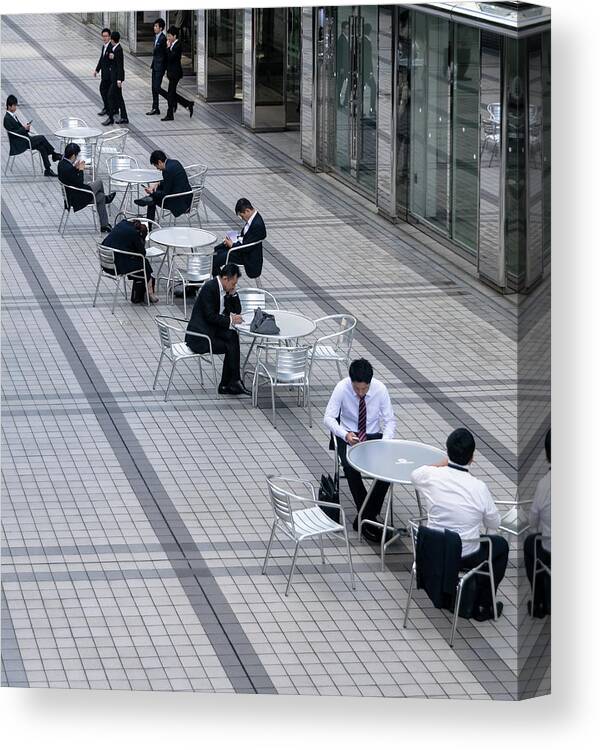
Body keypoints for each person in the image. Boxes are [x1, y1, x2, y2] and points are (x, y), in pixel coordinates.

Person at [410, 428, 509, 622]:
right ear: (472, 457)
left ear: (447, 452)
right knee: (500, 546)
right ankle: (483, 604)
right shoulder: (479, 488)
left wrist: (442, 464)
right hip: (464, 555)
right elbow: (494, 523)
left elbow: (415, 475)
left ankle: (457, 592)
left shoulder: (431, 476)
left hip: (432, 551)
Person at [324, 359, 396, 543]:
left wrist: (385, 443)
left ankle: (364, 518)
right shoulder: (342, 387)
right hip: (348, 434)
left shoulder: (380, 389)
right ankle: (370, 519)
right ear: (351, 382)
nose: (360, 393)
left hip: (372, 435)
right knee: (350, 467)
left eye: (364, 389)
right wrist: (344, 433)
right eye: (357, 389)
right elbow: (329, 418)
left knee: (388, 471)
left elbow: (389, 421)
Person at [185, 263, 251, 396]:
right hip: (200, 337)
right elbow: (210, 316)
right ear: (225, 279)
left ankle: (232, 382)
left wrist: (233, 294)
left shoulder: (226, 290)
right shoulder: (210, 288)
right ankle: (229, 383)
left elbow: (237, 310)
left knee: (233, 337)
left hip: (212, 330)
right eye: (233, 283)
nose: (234, 286)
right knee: (230, 346)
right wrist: (231, 320)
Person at [58, 142, 116, 232]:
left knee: (100, 197)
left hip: (73, 193)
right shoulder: (68, 168)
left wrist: (75, 168)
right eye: (76, 155)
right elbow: (80, 182)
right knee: (99, 182)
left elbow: (70, 177)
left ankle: (104, 225)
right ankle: (106, 199)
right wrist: (81, 170)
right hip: (77, 197)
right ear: (73, 156)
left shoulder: (61, 163)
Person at [524, 429, 551, 617]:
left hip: (552, 549)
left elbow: (533, 520)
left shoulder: (544, 484)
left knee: (531, 543)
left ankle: (540, 602)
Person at [102, 218, 159, 303]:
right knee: (144, 262)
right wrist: (141, 241)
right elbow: (142, 253)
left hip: (105, 262)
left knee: (141, 263)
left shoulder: (122, 224)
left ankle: (145, 290)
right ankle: (150, 292)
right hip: (115, 267)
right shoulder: (134, 234)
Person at [3, 95, 61, 177]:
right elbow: (14, 133)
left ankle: (48, 170)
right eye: (14, 105)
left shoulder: (13, 116)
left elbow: (18, 130)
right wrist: (24, 128)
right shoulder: (7, 119)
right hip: (20, 143)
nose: (16, 107)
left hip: (24, 139)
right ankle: (54, 154)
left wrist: (26, 128)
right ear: (9, 106)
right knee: (42, 137)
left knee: (42, 147)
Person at [211, 198, 266, 279]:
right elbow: (246, 237)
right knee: (217, 250)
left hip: (246, 255)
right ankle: (221, 281)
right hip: (242, 248)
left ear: (247, 211)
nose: (242, 218)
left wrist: (232, 244)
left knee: (215, 259)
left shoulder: (257, 224)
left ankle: (221, 284)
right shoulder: (253, 219)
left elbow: (247, 247)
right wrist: (233, 239)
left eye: (242, 216)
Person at [133, 150, 191, 222]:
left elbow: (165, 193)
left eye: (156, 166)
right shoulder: (175, 162)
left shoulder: (166, 170)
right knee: (157, 190)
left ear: (160, 162)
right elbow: (171, 181)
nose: (158, 169)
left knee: (153, 200)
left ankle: (149, 224)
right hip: (188, 198)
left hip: (179, 203)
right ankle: (148, 201)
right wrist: (158, 183)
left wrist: (152, 192)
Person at [162, 26, 194, 121]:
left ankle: (170, 114)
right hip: (171, 72)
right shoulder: (172, 44)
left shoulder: (177, 45)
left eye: (169, 36)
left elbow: (172, 58)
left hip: (175, 73)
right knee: (171, 93)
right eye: (167, 36)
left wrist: (168, 48)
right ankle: (187, 104)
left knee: (170, 94)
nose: (168, 38)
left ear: (175, 36)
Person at [103, 31, 128, 126]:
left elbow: (120, 66)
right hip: (114, 77)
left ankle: (111, 118)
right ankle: (124, 117)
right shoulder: (115, 49)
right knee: (119, 98)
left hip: (116, 79)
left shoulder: (118, 50)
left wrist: (119, 79)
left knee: (110, 95)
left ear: (112, 40)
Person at [146, 18, 167, 116]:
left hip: (160, 66)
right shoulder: (155, 37)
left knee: (156, 87)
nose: (154, 28)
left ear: (161, 28)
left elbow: (164, 53)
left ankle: (171, 100)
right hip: (154, 66)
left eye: (156, 26)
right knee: (153, 87)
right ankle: (155, 108)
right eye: (154, 26)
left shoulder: (163, 39)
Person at [93, 27, 113, 117]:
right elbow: (101, 59)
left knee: (104, 90)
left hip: (109, 75)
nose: (104, 38)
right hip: (104, 74)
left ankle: (108, 108)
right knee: (104, 91)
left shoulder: (111, 47)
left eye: (106, 36)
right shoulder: (104, 47)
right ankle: (108, 107)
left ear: (110, 37)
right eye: (103, 36)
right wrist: (97, 70)